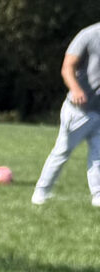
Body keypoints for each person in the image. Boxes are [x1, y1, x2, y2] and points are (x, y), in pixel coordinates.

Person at [31, 22, 100, 207]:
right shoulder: (89, 35)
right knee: (62, 152)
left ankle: (98, 196)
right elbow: (67, 67)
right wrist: (76, 89)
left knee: (98, 155)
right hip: (78, 111)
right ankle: (41, 192)